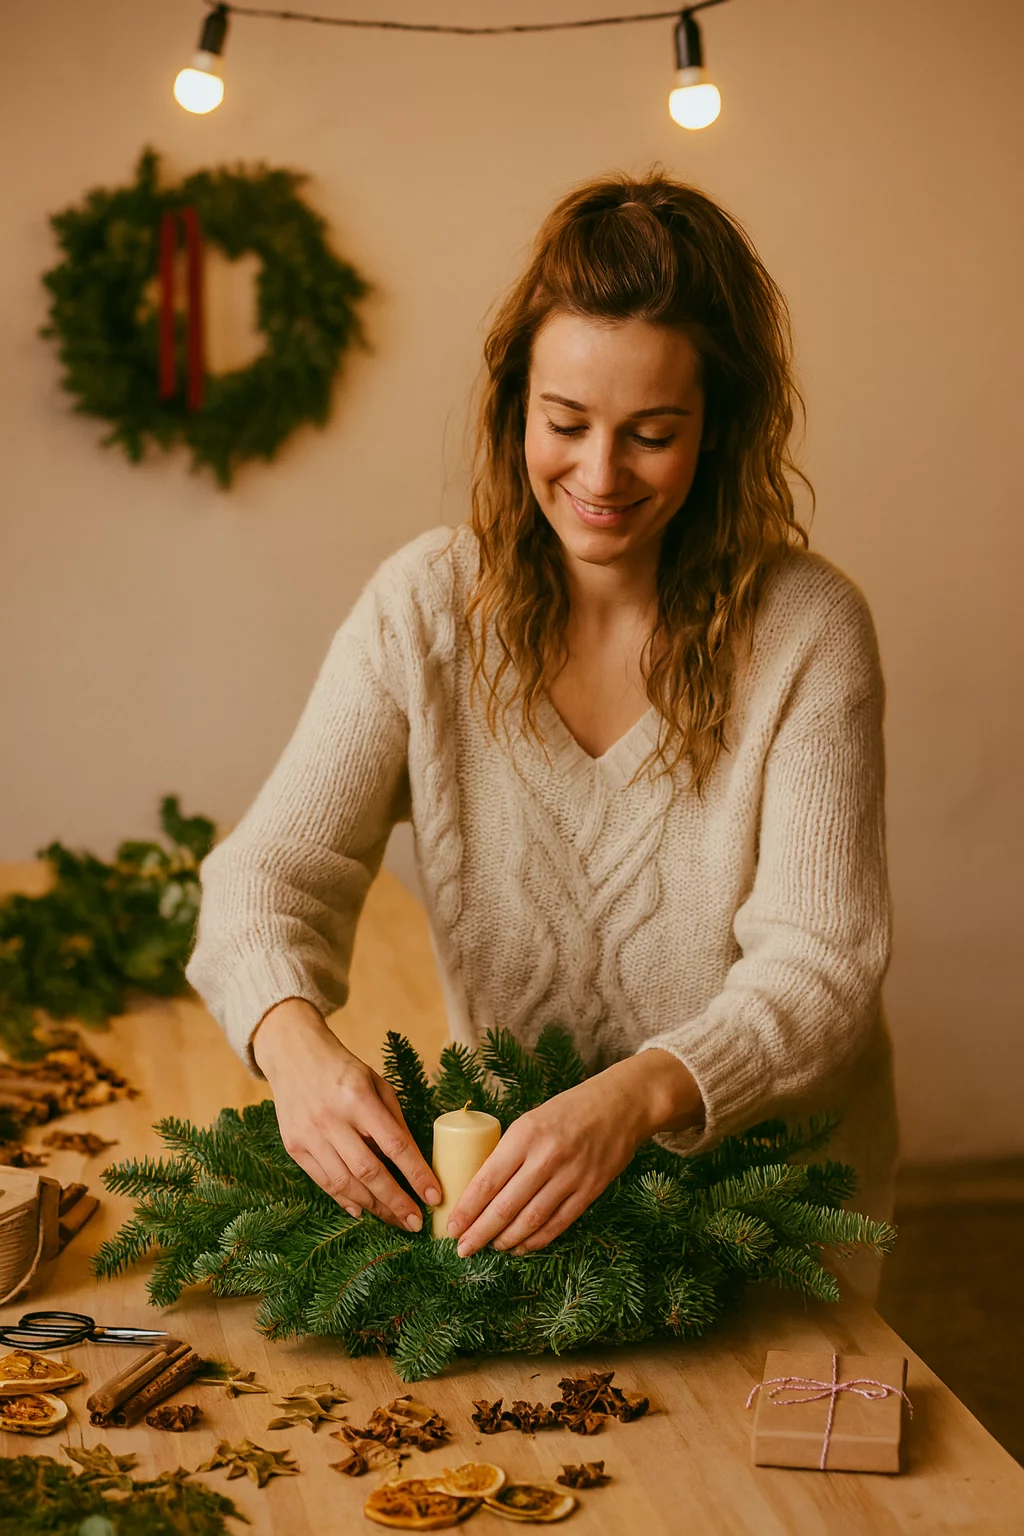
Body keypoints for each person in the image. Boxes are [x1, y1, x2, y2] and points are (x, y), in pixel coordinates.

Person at [185, 171, 897, 1297]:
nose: (600, 477)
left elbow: (822, 965)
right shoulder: (424, 607)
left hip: (767, 1217)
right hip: (516, 1214)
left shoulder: (806, 629)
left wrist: (639, 1095)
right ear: (515, 404)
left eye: (652, 435)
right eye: (565, 425)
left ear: (716, 430)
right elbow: (264, 875)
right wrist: (293, 1048)